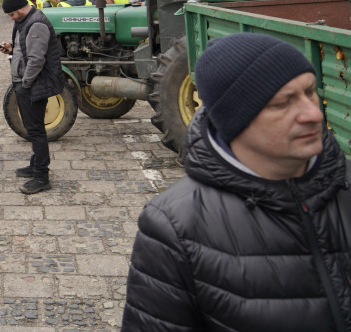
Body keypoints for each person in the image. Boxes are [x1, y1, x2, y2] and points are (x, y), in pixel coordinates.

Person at [122, 33, 351, 330]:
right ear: (235, 120)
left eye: (310, 92)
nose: (313, 114)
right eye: (283, 103)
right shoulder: (175, 227)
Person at [0, 0, 63, 195]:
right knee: (33, 128)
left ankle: (41, 176)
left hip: (33, 85)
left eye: (12, 14)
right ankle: (36, 164)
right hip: (27, 83)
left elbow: (36, 60)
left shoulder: (36, 24)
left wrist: (25, 83)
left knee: (36, 131)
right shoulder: (25, 21)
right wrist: (12, 50)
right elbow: (27, 50)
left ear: (20, 8)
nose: (11, 18)